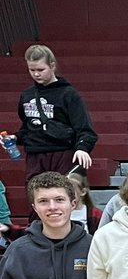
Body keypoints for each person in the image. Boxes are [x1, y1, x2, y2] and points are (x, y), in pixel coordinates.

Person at [16, 45, 96, 179]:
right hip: (35, 156)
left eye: (41, 69)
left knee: (62, 194)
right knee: (36, 195)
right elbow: (27, 127)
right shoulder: (26, 95)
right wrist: (15, 137)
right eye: (32, 70)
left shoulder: (69, 94)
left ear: (52, 66)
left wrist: (82, 147)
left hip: (62, 153)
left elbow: (85, 129)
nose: (36, 74)